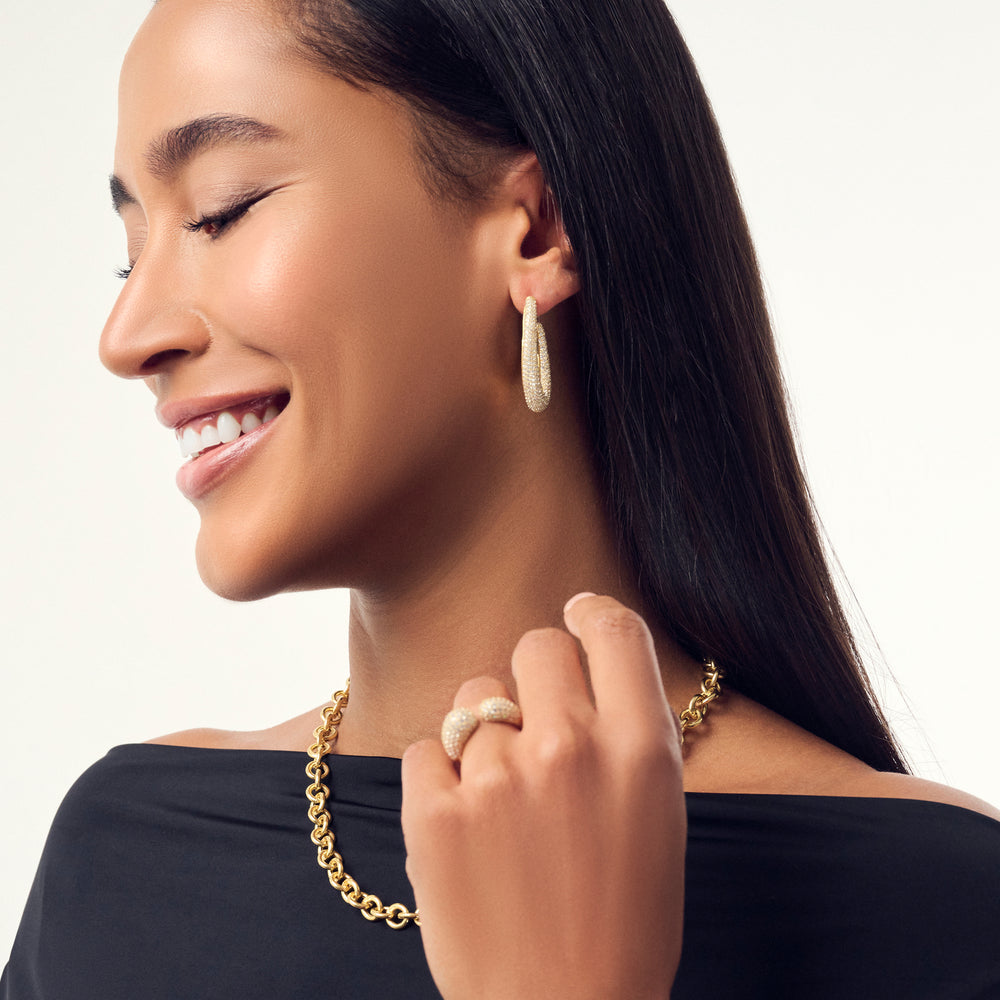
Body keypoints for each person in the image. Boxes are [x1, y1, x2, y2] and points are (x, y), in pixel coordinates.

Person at [3, 0, 999, 997]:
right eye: (131, 250)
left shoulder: (939, 907)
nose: (124, 336)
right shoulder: (123, 864)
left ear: (535, 231)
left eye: (220, 210)